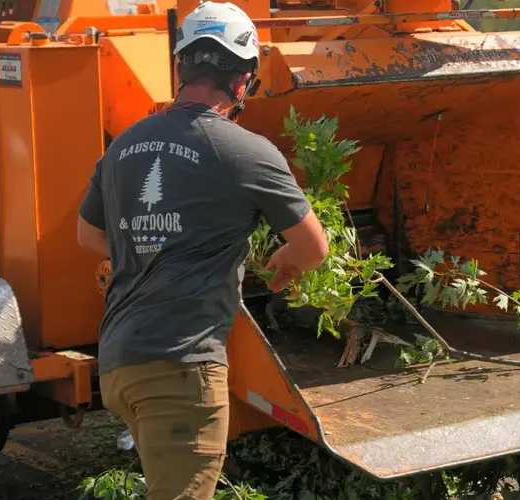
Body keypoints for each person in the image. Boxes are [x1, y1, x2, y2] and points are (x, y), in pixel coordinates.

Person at [75, 2, 329, 499]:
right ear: (243, 80)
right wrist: (284, 258)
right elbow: (314, 248)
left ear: (181, 67)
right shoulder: (246, 151)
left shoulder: (122, 147)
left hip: (121, 362)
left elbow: (88, 235)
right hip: (180, 370)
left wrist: (148, 249)